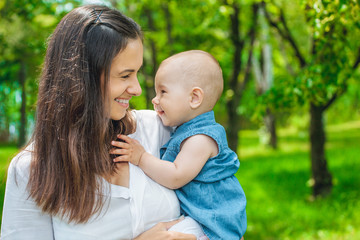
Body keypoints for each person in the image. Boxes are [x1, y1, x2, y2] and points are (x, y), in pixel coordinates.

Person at [0, 5, 204, 240]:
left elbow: (222, 206)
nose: (137, 89)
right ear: (82, 79)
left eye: (137, 73)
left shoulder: (158, 129)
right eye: (125, 75)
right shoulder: (32, 168)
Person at [111, 50, 247, 239]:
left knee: (171, 235)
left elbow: (176, 175)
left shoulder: (201, 138)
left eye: (163, 92)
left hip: (211, 223)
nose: (154, 99)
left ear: (194, 98)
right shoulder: (184, 131)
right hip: (200, 217)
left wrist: (140, 157)